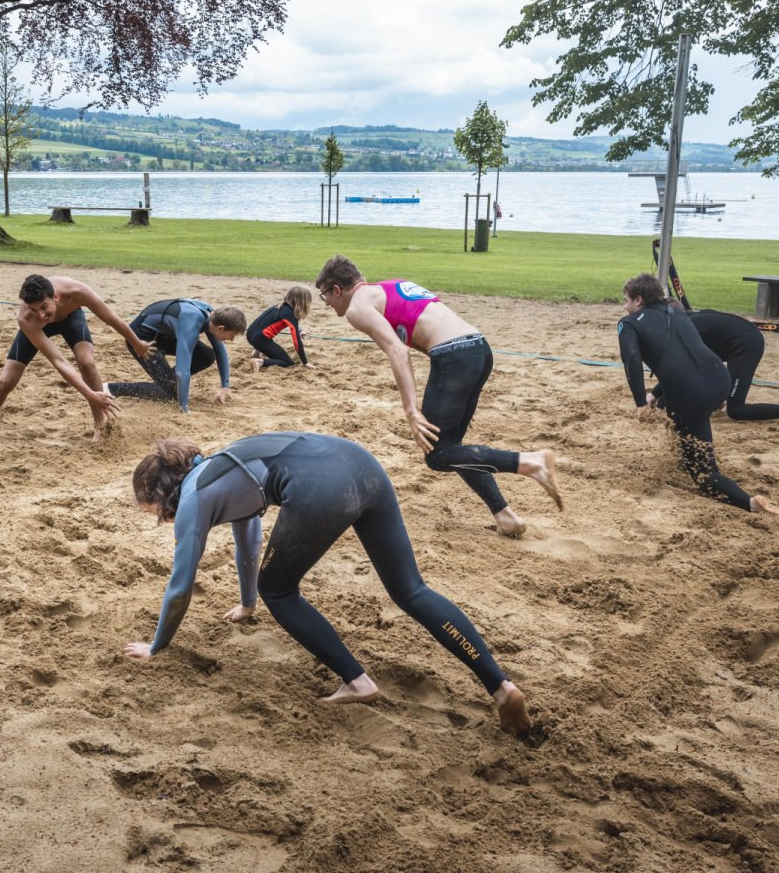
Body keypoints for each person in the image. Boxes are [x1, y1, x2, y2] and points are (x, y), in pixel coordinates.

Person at [123, 432, 533, 740]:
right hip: (360, 463)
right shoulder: (224, 465)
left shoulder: (192, 499)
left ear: (164, 492)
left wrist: (158, 644)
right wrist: (248, 604)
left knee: (280, 591)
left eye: (155, 511)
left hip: (321, 487)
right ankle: (500, 686)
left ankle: (357, 682)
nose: (161, 518)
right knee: (410, 590)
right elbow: (247, 536)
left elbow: (181, 585)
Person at [313, 254, 561, 538]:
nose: (328, 304)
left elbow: (397, 350)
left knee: (438, 454)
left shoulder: (358, 307)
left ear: (337, 290)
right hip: (479, 349)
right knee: (452, 447)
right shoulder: (391, 286)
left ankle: (532, 462)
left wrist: (410, 410)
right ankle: (504, 516)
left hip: (453, 356)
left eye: (325, 297)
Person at [617, 274, 779, 518]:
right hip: (719, 380)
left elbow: (631, 359)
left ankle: (752, 503)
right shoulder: (677, 312)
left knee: (704, 476)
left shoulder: (628, 324)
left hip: (689, 394)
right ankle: (687, 451)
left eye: (627, 301)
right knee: (684, 422)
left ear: (638, 300)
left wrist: (641, 402)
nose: (624, 306)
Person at [0, 274, 154, 438]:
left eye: (44, 307)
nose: (40, 314)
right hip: (36, 331)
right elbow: (58, 361)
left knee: (87, 363)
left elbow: (110, 317)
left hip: (70, 318)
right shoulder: (27, 318)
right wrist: (90, 395)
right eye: (33, 309)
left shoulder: (77, 291)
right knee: (7, 381)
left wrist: (136, 343)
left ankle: (100, 425)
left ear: (55, 297)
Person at [649, 308, 779, 429]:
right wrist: (655, 396)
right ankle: (720, 400)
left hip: (745, 346)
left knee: (736, 410)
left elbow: (678, 371)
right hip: (738, 341)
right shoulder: (689, 320)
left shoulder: (686, 329)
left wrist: (657, 402)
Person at [107, 299, 245, 413]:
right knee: (171, 393)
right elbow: (182, 370)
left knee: (207, 356)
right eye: (232, 336)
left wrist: (224, 386)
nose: (231, 340)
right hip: (141, 340)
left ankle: (166, 382)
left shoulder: (212, 316)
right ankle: (110, 388)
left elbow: (220, 351)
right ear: (221, 328)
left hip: (164, 334)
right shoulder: (192, 322)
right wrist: (184, 408)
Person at [248, 286, 314, 371]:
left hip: (250, 334)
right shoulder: (290, 315)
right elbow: (296, 342)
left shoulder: (279, 306)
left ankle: (256, 351)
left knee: (262, 331)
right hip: (260, 340)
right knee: (287, 362)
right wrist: (305, 362)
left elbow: (293, 325)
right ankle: (259, 362)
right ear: (303, 302)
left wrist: (300, 331)